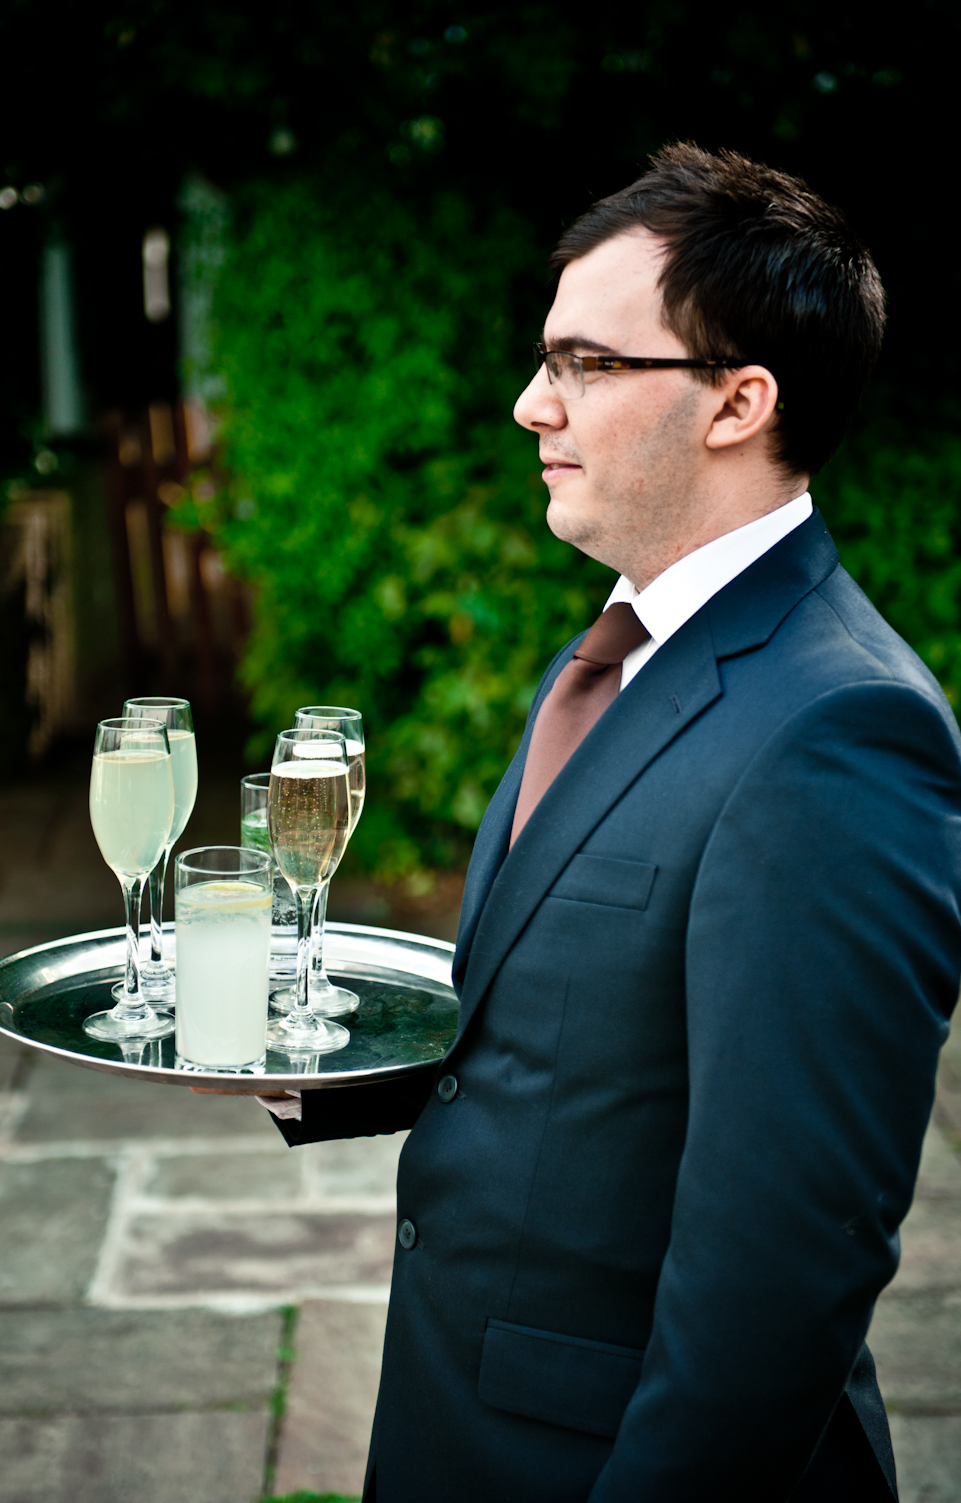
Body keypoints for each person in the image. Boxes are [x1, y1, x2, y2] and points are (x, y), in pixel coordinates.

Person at [261, 145, 961, 1499]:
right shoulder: (623, 641)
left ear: (738, 401)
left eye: (587, 363)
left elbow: (782, 1269)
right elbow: (589, 1039)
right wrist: (329, 1058)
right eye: (546, 360)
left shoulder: (841, 734)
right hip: (458, 1417)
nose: (535, 404)